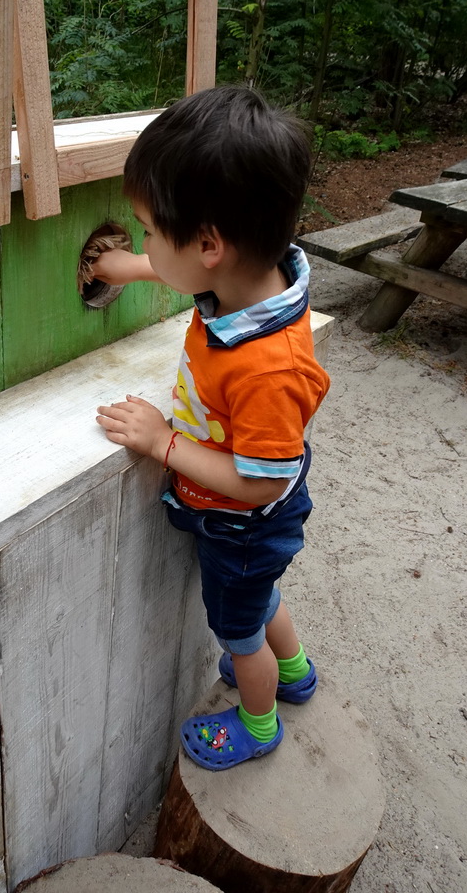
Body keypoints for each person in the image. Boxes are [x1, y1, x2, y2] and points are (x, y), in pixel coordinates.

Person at [94, 85, 330, 770]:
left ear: (208, 244)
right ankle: (297, 672)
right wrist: (132, 268)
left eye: (147, 230)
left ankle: (258, 724)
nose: (143, 243)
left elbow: (258, 485)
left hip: (242, 520)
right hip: (257, 524)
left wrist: (163, 443)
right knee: (261, 599)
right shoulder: (252, 279)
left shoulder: (266, 368)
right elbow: (180, 269)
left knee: (238, 630)